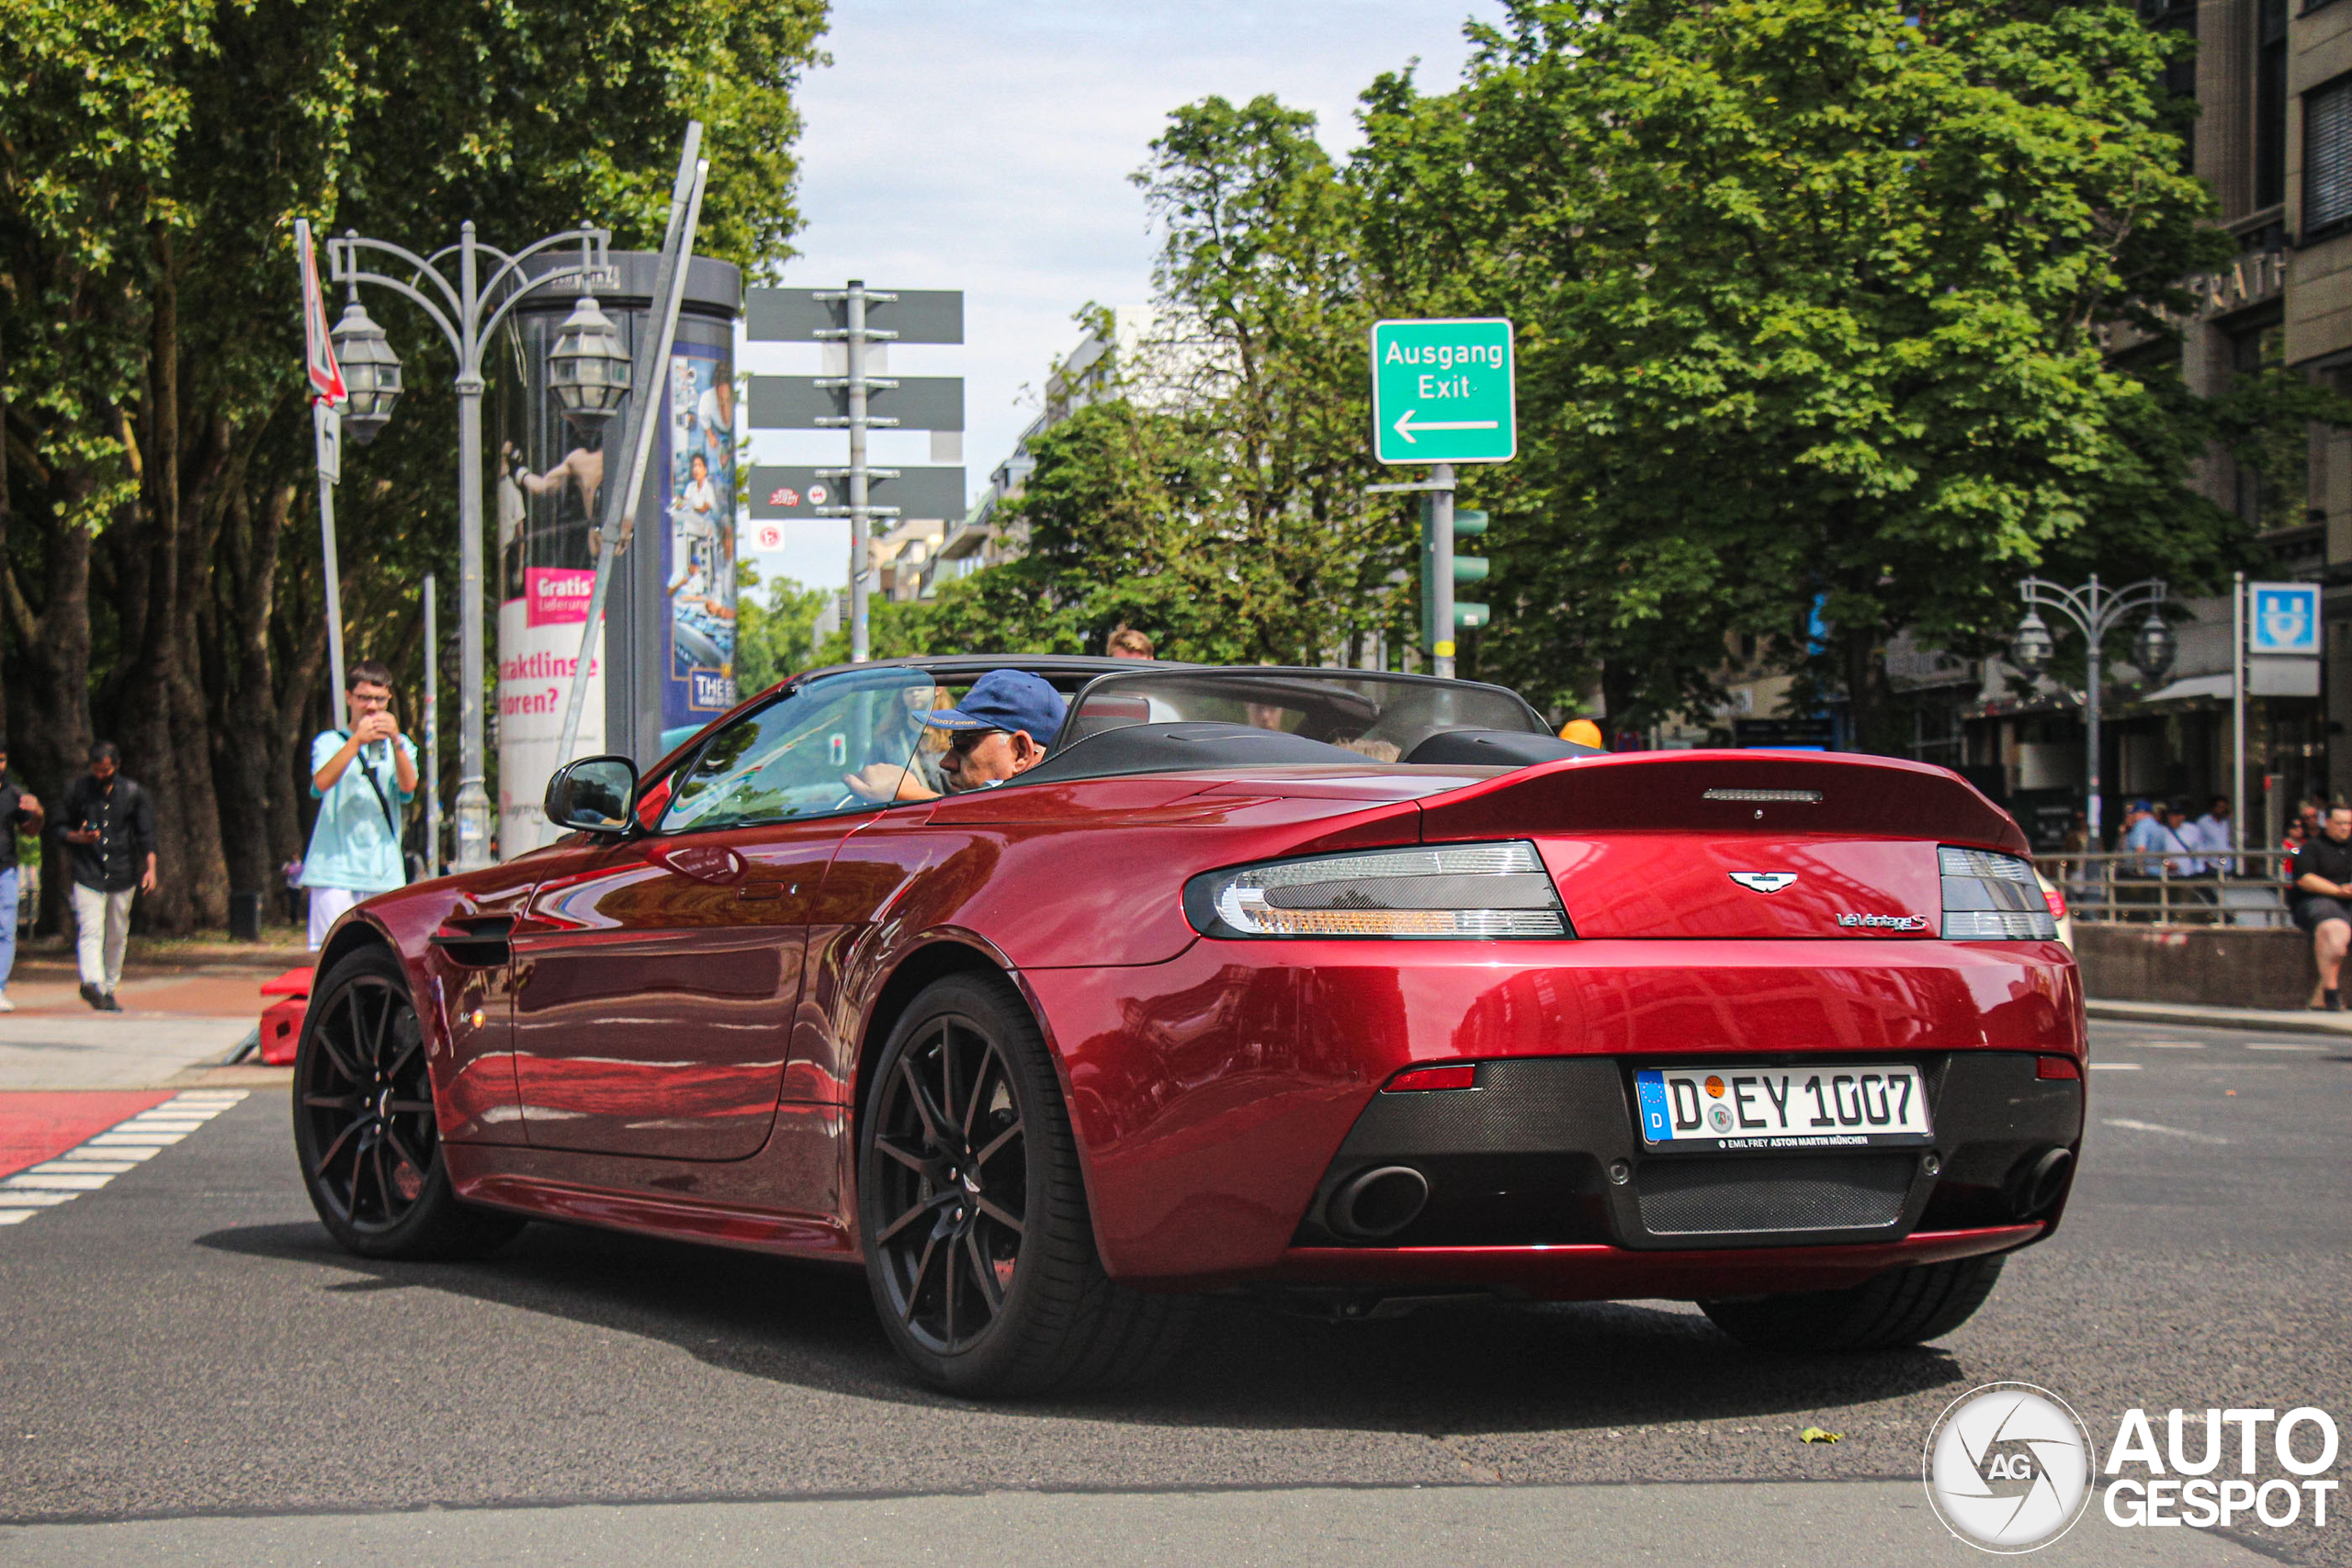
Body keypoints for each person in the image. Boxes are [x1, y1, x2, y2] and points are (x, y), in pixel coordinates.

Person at [301, 660, 419, 950]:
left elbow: (408, 789)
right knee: (333, 951)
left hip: (384, 871)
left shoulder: (400, 745)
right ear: (349, 698)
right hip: (333, 869)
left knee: (386, 950)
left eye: (379, 699)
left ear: (389, 699)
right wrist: (356, 741)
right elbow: (321, 784)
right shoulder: (330, 741)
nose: (371, 706)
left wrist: (396, 742)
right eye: (364, 698)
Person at [842, 670, 1066, 803]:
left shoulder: (1048, 817)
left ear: (1021, 753)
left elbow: (993, 828)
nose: (945, 762)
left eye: (963, 744)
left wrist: (908, 794)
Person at [58, 741, 155, 1011]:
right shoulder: (77, 791)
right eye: (96, 770)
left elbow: (146, 835)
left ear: (117, 766)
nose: (101, 775)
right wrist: (80, 837)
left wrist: (151, 868)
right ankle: (93, 983)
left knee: (117, 932)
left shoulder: (135, 794)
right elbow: (59, 828)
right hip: (88, 872)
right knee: (90, 929)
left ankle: (109, 987)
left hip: (123, 873)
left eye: (106, 770)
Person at [2290, 803, 2352, 1010]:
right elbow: (2305, 879)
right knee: (2335, 933)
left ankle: (2321, 996)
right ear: (2328, 823)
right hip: (2317, 901)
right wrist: (2338, 891)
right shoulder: (2312, 847)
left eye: (2349, 823)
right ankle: (2331, 992)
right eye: (2340, 823)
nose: (2345, 828)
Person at [0, 749, 43, 1012]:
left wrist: (37, 811)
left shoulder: (13, 794)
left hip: (6, 870)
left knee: (5, 929)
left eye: (2, 759)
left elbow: (31, 830)